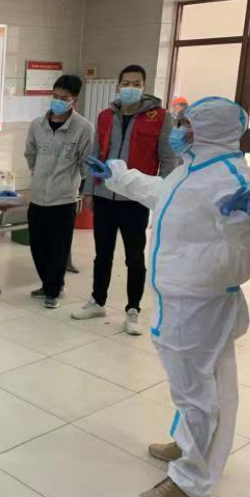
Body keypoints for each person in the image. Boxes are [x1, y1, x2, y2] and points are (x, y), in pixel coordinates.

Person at [86, 97, 250, 497]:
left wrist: (245, 220)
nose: (178, 130)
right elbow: (161, 192)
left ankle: (190, 482)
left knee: (196, 389)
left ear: (208, 129)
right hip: (185, 294)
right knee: (198, 383)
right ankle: (190, 445)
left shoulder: (231, 177)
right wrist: (118, 175)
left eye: (186, 124)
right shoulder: (195, 167)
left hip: (200, 300)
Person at [75, 64, 176, 333]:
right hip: (104, 196)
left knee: (134, 257)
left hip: (136, 198)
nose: (131, 88)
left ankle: (133, 309)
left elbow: (168, 160)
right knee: (102, 254)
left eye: (136, 83)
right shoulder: (106, 116)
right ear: (118, 86)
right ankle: (97, 301)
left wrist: (163, 195)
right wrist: (89, 190)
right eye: (126, 83)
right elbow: (96, 154)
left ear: (144, 86)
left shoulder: (160, 117)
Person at [24, 75, 93, 309]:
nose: (58, 101)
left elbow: (85, 164)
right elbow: (30, 154)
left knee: (58, 247)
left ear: (74, 100)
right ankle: (49, 284)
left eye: (64, 98)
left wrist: (69, 182)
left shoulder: (83, 128)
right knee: (38, 245)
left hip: (63, 199)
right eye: (55, 96)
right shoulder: (37, 125)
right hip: (37, 196)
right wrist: (39, 174)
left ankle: (53, 290)